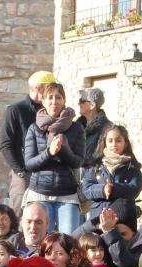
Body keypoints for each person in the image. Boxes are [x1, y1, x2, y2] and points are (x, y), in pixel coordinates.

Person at [23, 82, 85, 234]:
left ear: (64, 100)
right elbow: (29, 164)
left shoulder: (76, 128)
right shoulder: (34, 128)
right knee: (41, 242)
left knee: (69, 241)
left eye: (58, 97)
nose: (54, 101)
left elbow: (78, 161)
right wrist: (49, 152)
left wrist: (63, 150)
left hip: (67, 194)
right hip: (39, 192)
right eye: (50, 97)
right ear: (43, 101)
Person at [0, 70, 57, 211]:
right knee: (20, 213)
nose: (53, 95)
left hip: (46, 172)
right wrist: (20, 172)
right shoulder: (15, 110)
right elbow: (6, 145)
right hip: (23, 173)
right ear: (38, 88)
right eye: (49, 89)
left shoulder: (51, 111)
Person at [81, 124, 142, 221]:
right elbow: (86, 188)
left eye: (118, 141)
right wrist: (103, 189)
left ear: (125, 143)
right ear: (105, 143)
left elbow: (136, 187)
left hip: (123, 219)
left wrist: (114, 188)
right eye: (110, 141)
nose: (114, 144)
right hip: (98, 218)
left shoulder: (131, 167)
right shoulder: (96, 166)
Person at [76, 87, 113, 167]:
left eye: (82, 101)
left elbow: (98, 157)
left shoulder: (108, 128)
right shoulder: (76, 127)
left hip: (96, 175)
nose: (78, 104)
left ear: (92, 105)